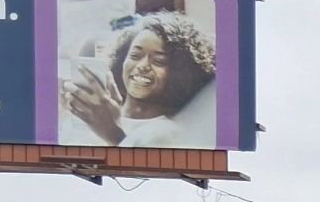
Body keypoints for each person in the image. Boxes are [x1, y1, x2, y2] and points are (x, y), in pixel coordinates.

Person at [60, 11, 216, 148]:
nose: (142, 66)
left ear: (180, 73)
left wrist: (113, 134)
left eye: (159, 61)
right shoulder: (95, 113)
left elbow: (138, 177)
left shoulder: (169, 133)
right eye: (135, 56)